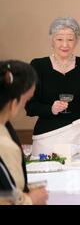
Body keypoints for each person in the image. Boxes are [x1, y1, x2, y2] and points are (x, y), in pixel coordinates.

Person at [25, 17, 80, 158]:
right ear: (51, 40)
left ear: (76, 41)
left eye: (70, 39)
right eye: (59, 39)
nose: (65, 44)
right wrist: (50, 109)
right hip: (46, 136)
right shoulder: (38, 66)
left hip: (78, 134)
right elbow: (29, 107)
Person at [0, 60, 48, 205]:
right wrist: (31, 199)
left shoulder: (5, 129)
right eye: (26, 100)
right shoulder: (5, 145)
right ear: (14, 103)